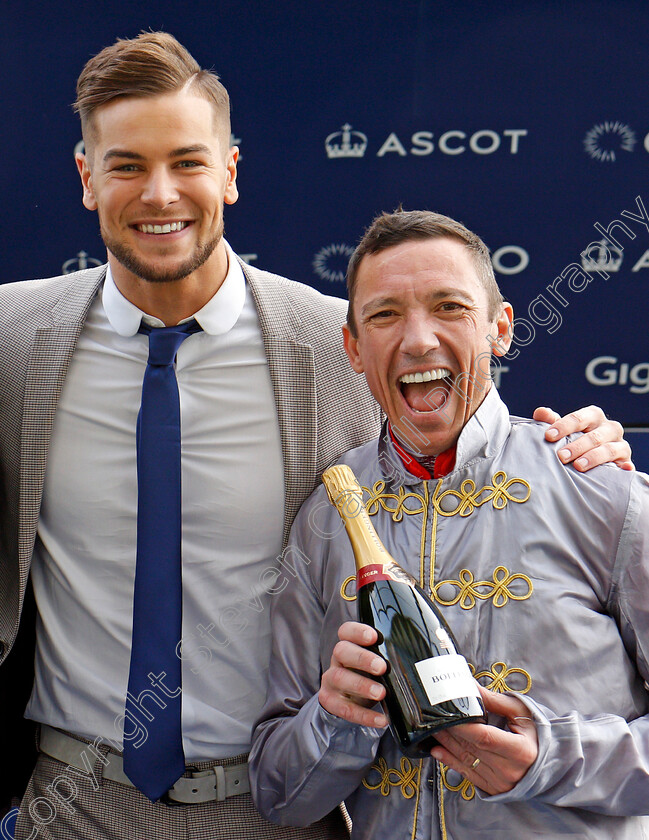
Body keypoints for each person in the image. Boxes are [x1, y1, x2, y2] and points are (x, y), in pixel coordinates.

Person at [0, 32, 632, 840]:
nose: (159, 194)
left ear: (229, 169)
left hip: (281, 810)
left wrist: (584, 449)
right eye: (126, 165)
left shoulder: (341, 340)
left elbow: (463, 442)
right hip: (76, 800)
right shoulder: (15, 340)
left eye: (188, 162)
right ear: (88, 178)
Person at [249, 209, 649, 839]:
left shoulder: (601, 487)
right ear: (352, 347)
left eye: (449, 307)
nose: (417, 340)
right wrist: (336, 718)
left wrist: (550, 754)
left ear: (500, 327)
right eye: (384, 315)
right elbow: (280, 795)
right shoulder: (327, 517)